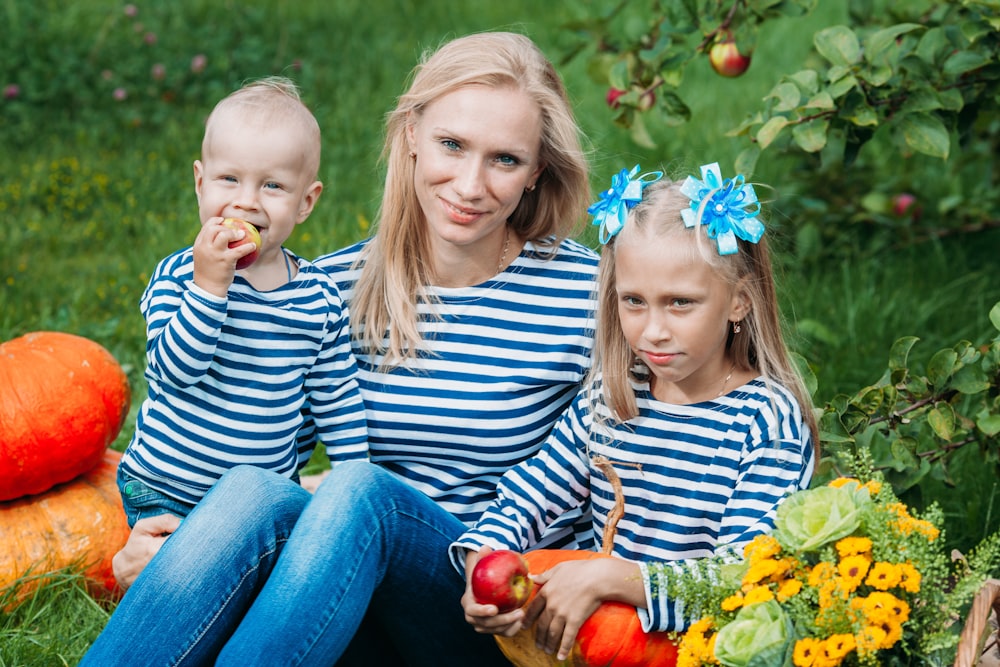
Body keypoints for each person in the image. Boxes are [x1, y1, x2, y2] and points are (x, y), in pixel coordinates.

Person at [82, 31, 597, 666]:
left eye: (505, 160)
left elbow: (659, 454)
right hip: (339, 591)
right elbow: (255, 442)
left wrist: (614, 579)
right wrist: (169, 556)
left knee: (360, 491)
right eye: (452, 145)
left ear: (537, 171)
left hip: (483, 610)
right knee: (254, 491)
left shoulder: (589, 298)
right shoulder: (327, 290)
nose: (469, 184)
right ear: (411, 133)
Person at [455, 163, 819, 661]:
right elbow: (530, 495)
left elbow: (749, 574)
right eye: (634, 302)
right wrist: (484, 564)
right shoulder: (612, 399)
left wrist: (617, 577)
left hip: (699, 649)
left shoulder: (765, 419)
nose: (653, 331)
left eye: (679, 303)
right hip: (597, 642)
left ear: (738, 302)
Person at [115, 77, 368, 529]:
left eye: (272, 186)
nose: (246, 202)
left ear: (306, 202)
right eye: (229, 179)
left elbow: (337, 397)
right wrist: (210, 286)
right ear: (200, 182)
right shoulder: (180, 275)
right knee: (192, 588)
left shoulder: (318, 297)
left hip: (260, 505)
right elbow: (175, 372)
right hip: (167, 489)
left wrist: (352, 483)